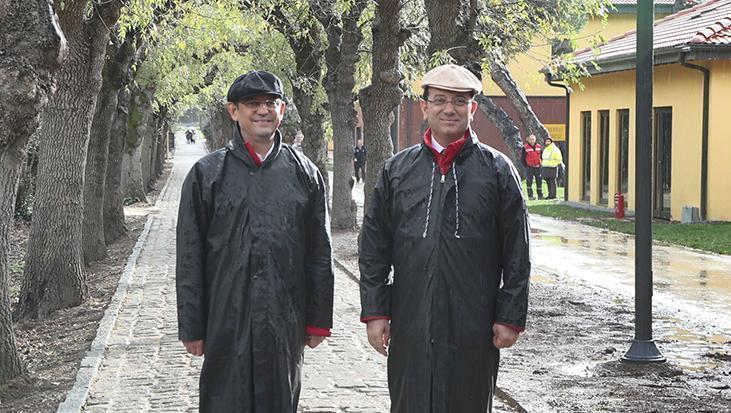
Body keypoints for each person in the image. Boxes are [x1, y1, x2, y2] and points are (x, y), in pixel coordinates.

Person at [359, 64, 530, 412]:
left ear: (473, 108)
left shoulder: (497, 172)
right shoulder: (398, 170)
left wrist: (509, 315)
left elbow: (517, 251)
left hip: (473, 321)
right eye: (439, 100)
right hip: (410, 317)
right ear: (424, 107)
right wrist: (376, 310)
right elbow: (374, 246)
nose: (448, 108)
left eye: (459, 101)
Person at [176, 70, 334, 412]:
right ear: (234, 111)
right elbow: (190, 256)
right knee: (224, 399)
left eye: (270, 103)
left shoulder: (305, 173)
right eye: (252, 104)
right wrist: (192, 325)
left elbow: (319, 252)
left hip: (284, 317)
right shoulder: (208, 174)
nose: (262, 111)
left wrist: (318, 318)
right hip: (226, 316)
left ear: (283, 110)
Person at [520, 134, 543, 199]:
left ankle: (540, 195)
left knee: (539, 181)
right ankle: (530, 196)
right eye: (530, 139)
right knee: (529, 182)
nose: (532, 141)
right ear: (528, 140)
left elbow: (541, 156)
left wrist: (541, 164)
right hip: (529, 167)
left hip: (538, 167)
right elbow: (522, 158)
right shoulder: (525, 147)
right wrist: (526, 166)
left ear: (535, 139)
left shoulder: (539, 146)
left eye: (533, 139)